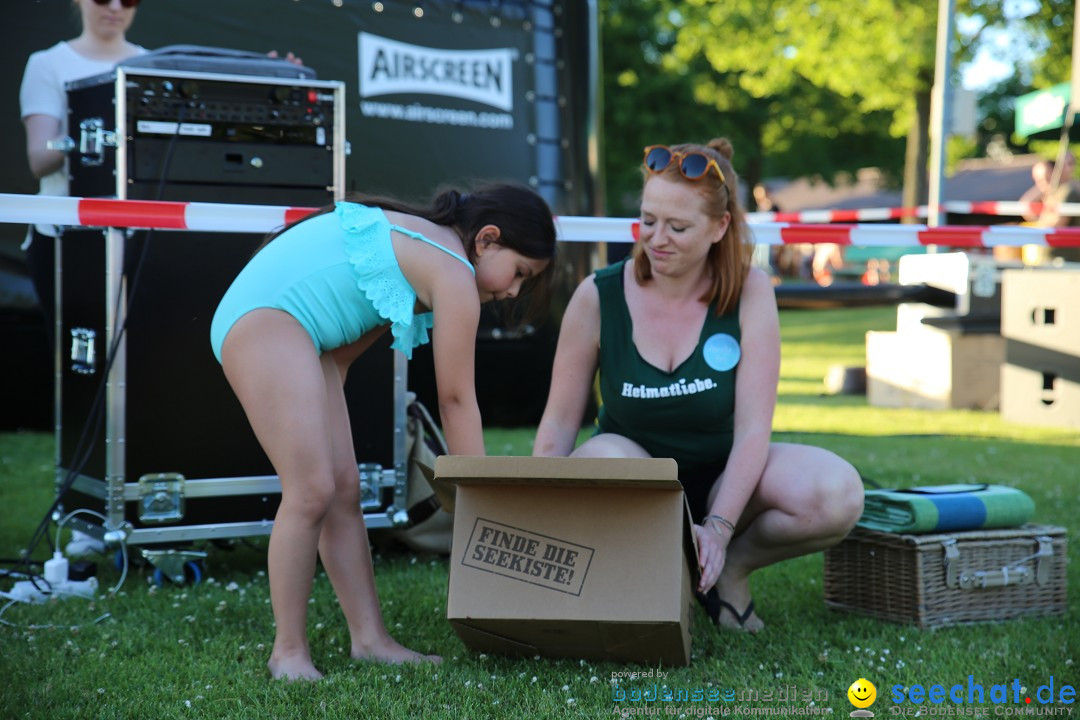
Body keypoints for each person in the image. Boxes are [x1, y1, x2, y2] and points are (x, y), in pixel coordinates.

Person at [211, 184, 556, 680]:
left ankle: (370, 640)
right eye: (519, 272)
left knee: (343, 490)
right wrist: (483, 494)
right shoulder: (453, 271)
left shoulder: (426, 250)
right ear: (487, 239)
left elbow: (343, 349)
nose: (513, 291)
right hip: (267, 321)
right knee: (311, 492)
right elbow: (456, 400)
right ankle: (287, 651)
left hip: (301, 338)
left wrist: (322, 414)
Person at [532, 139, 863, 634]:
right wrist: (531, 514)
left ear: (719, 227)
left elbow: (754, 431)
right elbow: (558, 424)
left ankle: (727, 569)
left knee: (837, 491)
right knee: (611, 456)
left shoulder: (750, 291)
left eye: (678, 226)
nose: (656, 239)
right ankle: (670, 568)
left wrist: (719, 529)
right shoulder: (596, 295)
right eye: (647, 220)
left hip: (725, 483)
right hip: (635, 487)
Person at [19, 0, 302, 349]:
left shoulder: (155, 66)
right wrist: (94, 133)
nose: (116, 8)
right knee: (78, 352)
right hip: (69, 237)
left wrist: (270, 77)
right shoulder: (47, 63)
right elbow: (39, 158)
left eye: (129, 0)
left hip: (145, 235)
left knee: (143, 352)